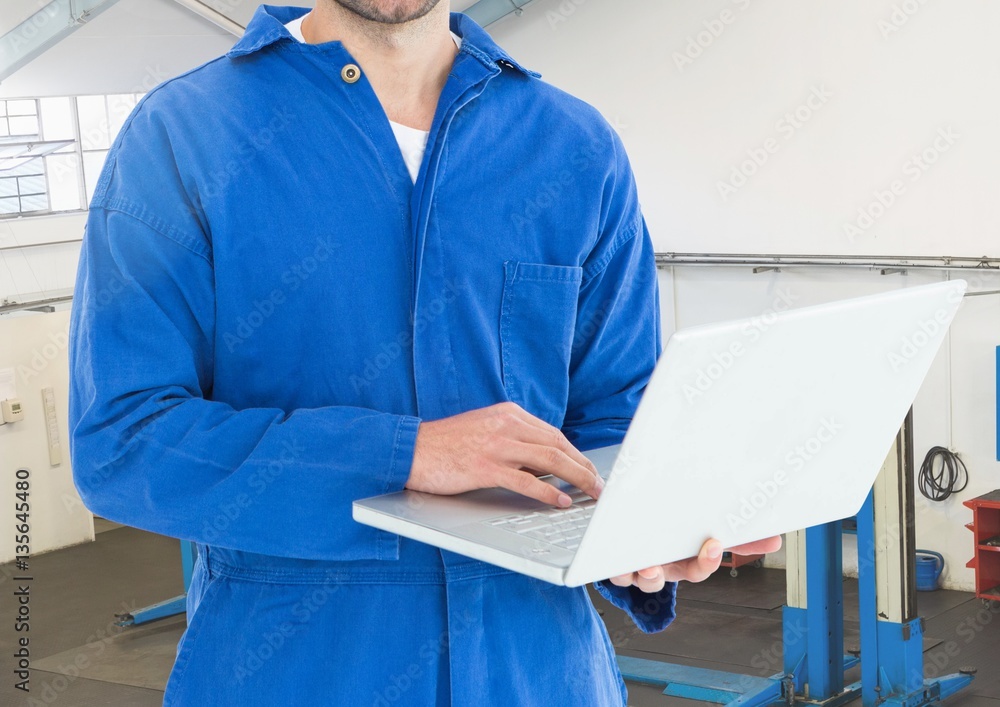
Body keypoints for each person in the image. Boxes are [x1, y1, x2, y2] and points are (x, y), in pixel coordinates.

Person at [68, 2, 780, 705]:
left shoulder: (574, 148)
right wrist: (402, 455)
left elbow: (613, 429)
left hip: (537, 673)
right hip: (295, 669)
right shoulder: (183, 138)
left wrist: (653, 529)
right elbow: (123, 442)